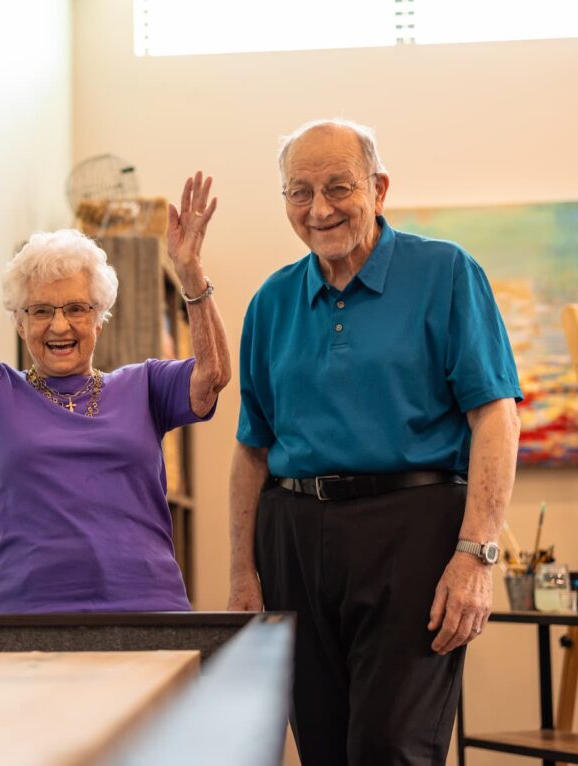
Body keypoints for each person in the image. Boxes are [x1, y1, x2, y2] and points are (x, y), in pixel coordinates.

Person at [227, 119, 522, 765]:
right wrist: (243, 572)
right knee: (323, 747)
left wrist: (477, 554)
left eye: (338, 187)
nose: (320, 208)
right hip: (294, 537)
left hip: (413, 532)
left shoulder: (445, 272)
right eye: (299, 192)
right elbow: (253, 448)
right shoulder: (271, 301)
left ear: (379, 188)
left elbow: (496, 417)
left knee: (393, 748)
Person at [0, 107, 230, 613]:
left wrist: (191, 274)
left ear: (100, 316)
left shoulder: (144, 387)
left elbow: (213, 375)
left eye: (76, 308)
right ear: (19, 322)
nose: (60, 326)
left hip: (150, 618)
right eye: (41, 311)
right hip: (28, 623)